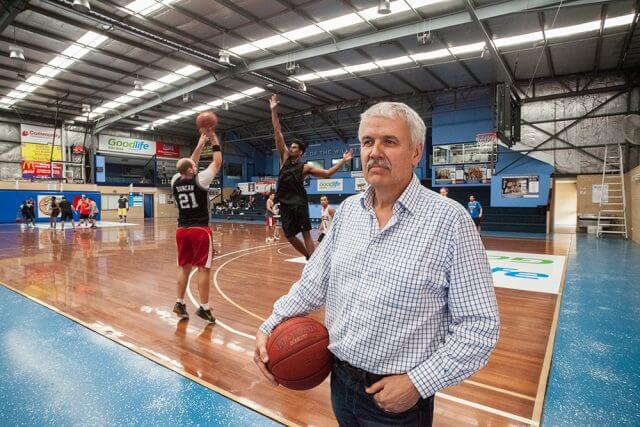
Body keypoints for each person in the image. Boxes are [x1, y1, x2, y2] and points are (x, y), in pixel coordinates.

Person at [254, 102, 499, 426]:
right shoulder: (348, 213)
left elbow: (479, 326)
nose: (375, 151)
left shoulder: (450, 222)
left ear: (415, 152)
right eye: (368, 142)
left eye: (389, 141)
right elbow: (313, 284)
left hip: (400, 399)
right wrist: (269, 325)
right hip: (340, 383)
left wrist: (418, 382)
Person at [270, 94, 352, 259]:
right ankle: (310, 256)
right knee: (290, 235)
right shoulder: (284, 158)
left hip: (298, 202)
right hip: (284, 203)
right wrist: (273, 111)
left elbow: (327, 174)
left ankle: (312, 263)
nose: (290, 148)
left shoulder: (306, 167)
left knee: (306, 233)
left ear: (300, 152)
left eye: (294, 148)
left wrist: (343, 161)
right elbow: (277, 131)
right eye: (290, 146)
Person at [171, 127, 222, 323]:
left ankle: (179, 302)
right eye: (194, 166)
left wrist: (200, 144)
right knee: (203, 268)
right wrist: (214, 139)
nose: (196, 166)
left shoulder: (175, 180)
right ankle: (204, 307)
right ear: (191, 170)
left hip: (181, 230)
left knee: (183, 267)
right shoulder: (201, 180)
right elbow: (217, 162)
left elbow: (188, 164)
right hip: (199, 230)